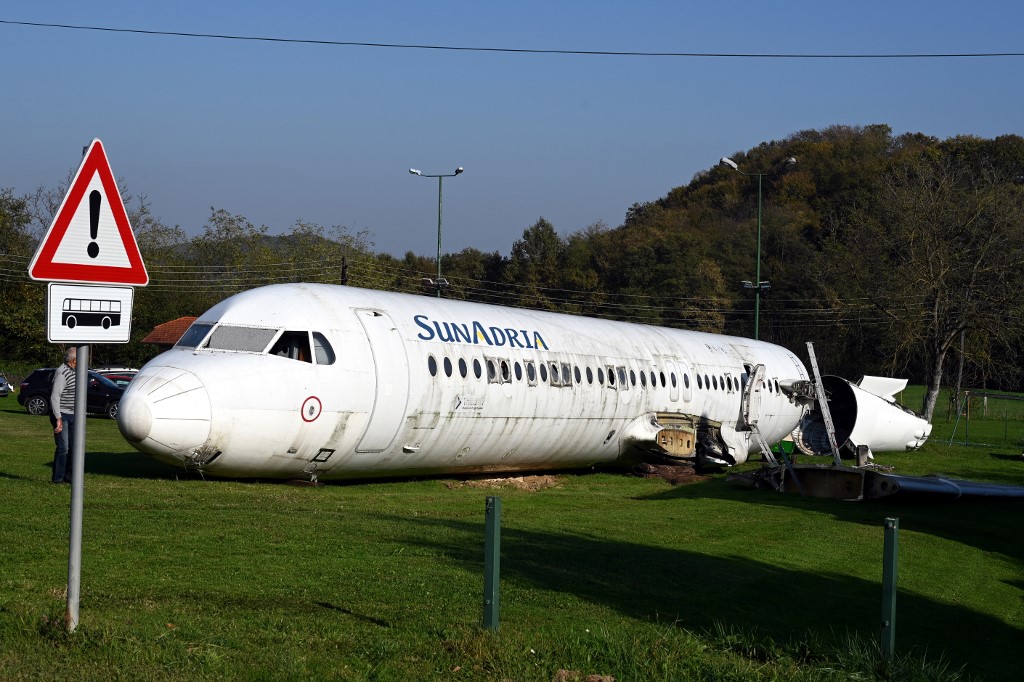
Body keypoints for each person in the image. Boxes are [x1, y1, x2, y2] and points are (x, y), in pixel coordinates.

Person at [50, 347, 77, 484]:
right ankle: (58, 478)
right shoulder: (62, 373)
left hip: (73, 415)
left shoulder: (76, 371)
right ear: (73, 360)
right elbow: (55, 396)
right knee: (63, 447)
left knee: (74, 446)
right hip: (62, 415)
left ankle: (69, 476)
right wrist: (58, 418)